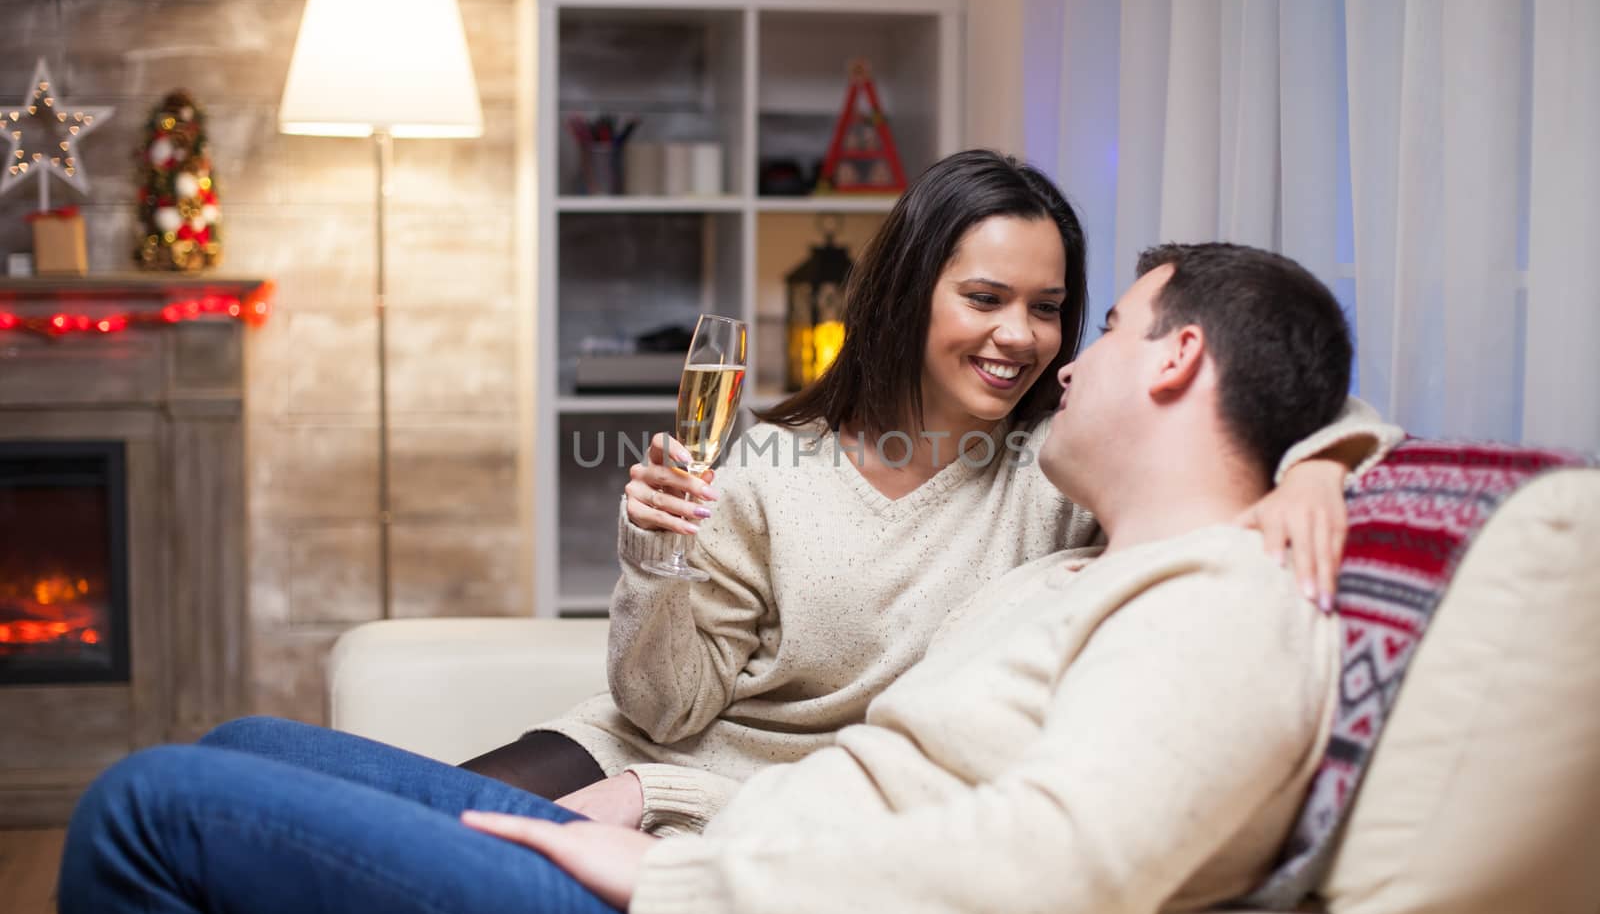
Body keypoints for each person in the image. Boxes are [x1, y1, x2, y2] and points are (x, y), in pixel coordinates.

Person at [58, 241, 1360, 914]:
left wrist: (683, 869)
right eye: (992, 300)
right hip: (704, 825)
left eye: (1097, 323)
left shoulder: (1221, 596)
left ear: (1180, 357)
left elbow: (1051, 866)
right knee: (236, 756)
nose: (1056, 354)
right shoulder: (1085, 555)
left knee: (143, 809)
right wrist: (1317, 453)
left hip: (718, 900)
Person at [456, 150, 1393, 807]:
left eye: (1050, 308)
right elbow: (663, 708)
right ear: (909, 293)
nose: (1021, 335)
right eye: (985, 298)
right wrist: (658, 556)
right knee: (389, 812)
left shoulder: (1063, 467)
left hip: (750, 800)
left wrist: (1317, 462)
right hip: (644, 747)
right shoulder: (777, 467)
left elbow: (1289, 392)